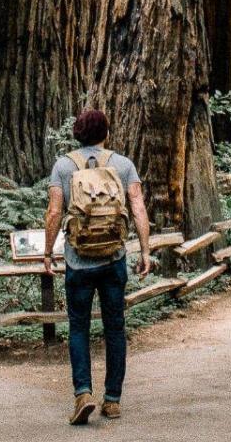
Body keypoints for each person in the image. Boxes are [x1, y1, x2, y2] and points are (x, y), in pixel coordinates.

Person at [43, 108, 153, 425]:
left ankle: (82, 393)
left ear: (77, 133)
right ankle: (113, 400)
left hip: (78, 262)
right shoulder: (122, 164)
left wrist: (48, 252)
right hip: (114, 259)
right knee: (114, 328)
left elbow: (54, 212)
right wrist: (145, 250)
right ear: (106, 133)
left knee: (78, 327)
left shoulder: (63, 166)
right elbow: (138, 207)